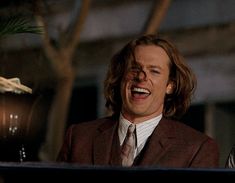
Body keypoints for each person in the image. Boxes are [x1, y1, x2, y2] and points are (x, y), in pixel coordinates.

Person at [57, 34, 219, 168]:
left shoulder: (198, 148)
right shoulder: (79, 137)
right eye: (134, 69)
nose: (141, 77)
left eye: (154, 71)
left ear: (169, 85)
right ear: (120, 77)